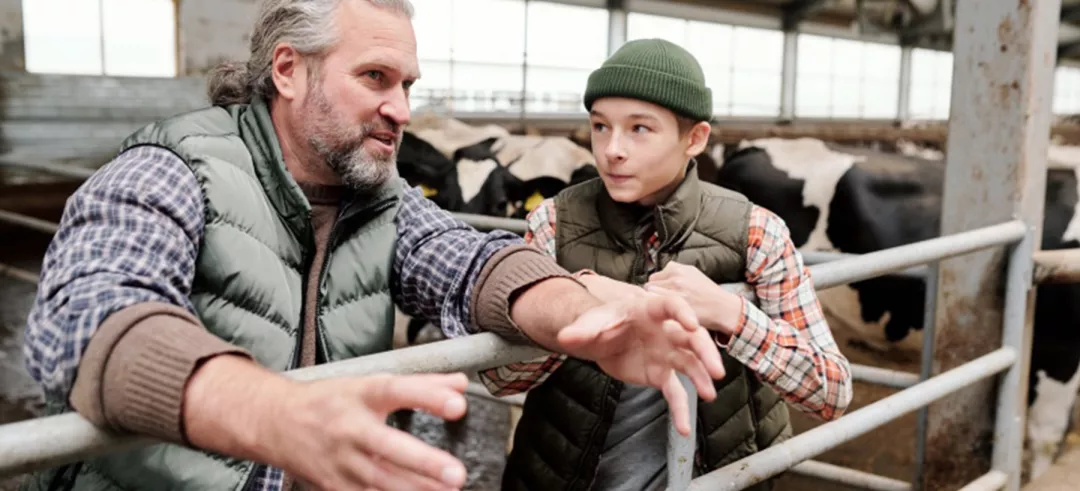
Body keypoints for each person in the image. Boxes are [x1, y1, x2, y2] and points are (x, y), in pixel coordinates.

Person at [19, 3, 729, 491]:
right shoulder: (170, 170)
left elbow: (471, 260)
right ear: (289, 71)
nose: (401, 109)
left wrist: (578, 311)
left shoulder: (378, 198)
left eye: (408, 84)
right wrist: (276, 413)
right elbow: (88, 316)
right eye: (375, 78)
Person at [481, 39, 854, 490]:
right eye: (600, 127)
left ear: (694, 138)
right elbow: (500, 377)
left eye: (640, 129)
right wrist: (575, 305)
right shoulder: (553, 223)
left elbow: (830, 391)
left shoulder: (757, 232)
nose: (612, 149)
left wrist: (731, 314)